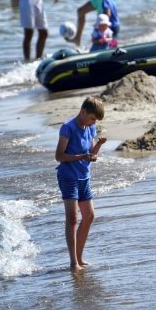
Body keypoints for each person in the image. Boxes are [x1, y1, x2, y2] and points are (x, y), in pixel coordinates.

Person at [55, 96, 106, 272]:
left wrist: (98, 146)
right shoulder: (67, 128)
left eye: (96, 121)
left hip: (84, 176)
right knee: (72, 218)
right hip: (68, 176)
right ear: (83, 111)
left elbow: (90, 155)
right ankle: (73, 262)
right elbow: (59, 156)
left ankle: (80, 258)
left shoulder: (90, 127)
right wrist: (81, 157)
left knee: (89, 216)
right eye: (92, 118)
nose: (94, 122)